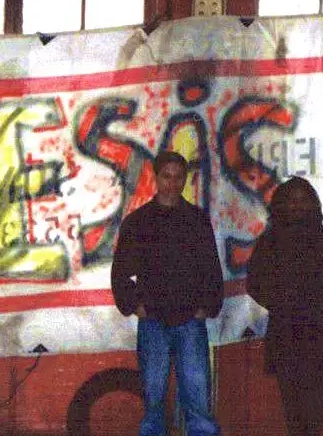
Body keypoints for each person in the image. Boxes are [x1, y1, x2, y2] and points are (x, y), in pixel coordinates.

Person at [111, 151, 223, 436]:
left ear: (185, 179)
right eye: (166, 176)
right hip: (153, 322)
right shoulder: (138, 222)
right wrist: (134, 305)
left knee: (197, 398)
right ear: (156, 177)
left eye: (178, 177)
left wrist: (206, 307)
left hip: (190, 321)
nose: (173, 184)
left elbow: (211, 268)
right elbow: (121, 271)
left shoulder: (196, 220)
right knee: (153, 397)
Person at [246, 177, 323, 436]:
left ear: (313, 205)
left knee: (316, 407)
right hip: (286, 334)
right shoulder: (270, 241)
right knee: (293, 407)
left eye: (303, 200)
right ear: (282, 205)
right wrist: (282, 303)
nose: (297, 206)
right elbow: (254, 283)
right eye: (292, 200)